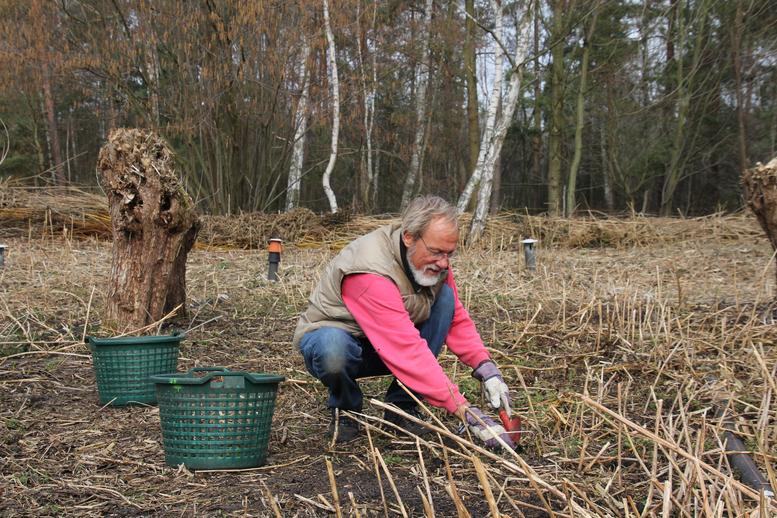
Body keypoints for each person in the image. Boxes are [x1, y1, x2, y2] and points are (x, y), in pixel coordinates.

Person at [293, 195, 515, 449]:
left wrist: (486, 367)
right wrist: (466, 412)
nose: (444, 263)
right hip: (343, 341)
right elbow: (406, 350)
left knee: (445, 300)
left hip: (391, 343)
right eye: (436, 252)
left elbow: (455, 320)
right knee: (331, 348)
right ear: (409, 237)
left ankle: (402, 408)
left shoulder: (434, 264)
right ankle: (345, 409)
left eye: (449, 253)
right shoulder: (368, 271)